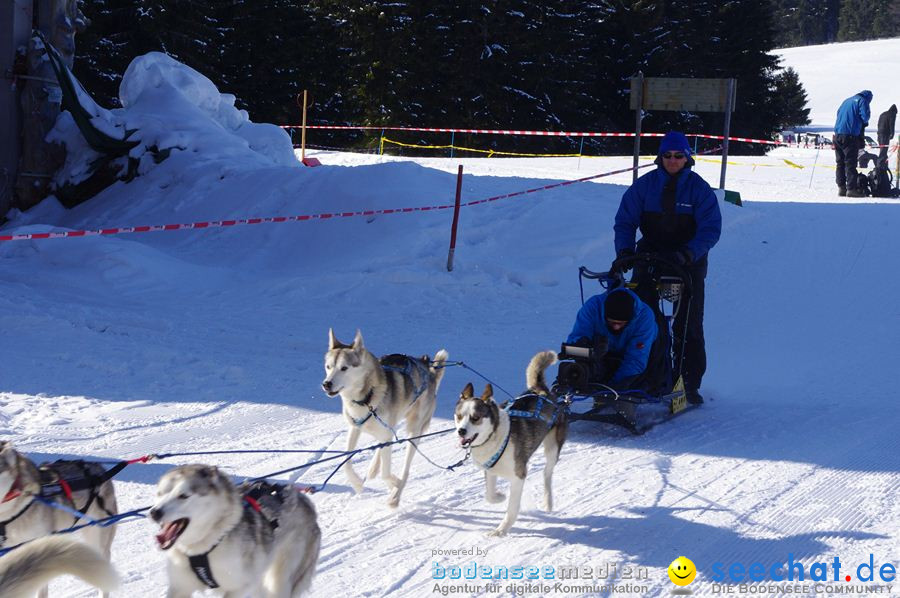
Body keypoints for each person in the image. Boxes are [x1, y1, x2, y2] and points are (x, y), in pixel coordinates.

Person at [613, 131, 721, 404]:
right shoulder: (644, 186)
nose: (673, 160)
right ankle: (647, 377)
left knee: (688, 324)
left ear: (687, 158)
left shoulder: (699, 189)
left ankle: (689, 383)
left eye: (678, 156)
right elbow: (625, 221)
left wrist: (688, 253)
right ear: (660, 157)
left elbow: (710, 229)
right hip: (649, 258)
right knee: (644, 320)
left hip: (688, 261)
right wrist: (625, 252)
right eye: (668, 156)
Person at [565, 288, 663, 392]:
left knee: (637, 381)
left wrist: (613, 387)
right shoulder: (593, 307)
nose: (616, 327)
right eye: (612, 322)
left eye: (620, 323)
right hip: (602, 355)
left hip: (636, 357)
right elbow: (577, 336)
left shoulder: (645, 317)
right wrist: (581, 346)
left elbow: (636, 359)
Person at [833, 90, 873, 197]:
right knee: (850, 163)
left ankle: (842, 188)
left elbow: (838, 114)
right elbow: (865, 117)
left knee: (840, 163)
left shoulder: (846, 101)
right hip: (850, 136)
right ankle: (851, 189)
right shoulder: (862, 101)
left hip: (837, 135)